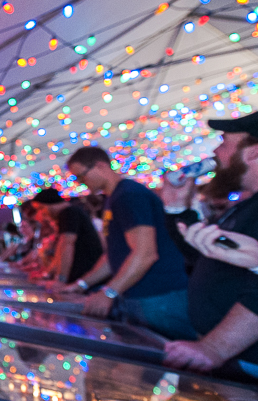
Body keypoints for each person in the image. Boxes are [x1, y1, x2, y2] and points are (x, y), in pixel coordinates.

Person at [60, 146, 194, 340]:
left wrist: (109, 292)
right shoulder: (114, 198)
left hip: (159, 296)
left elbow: (145, 253)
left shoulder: (128, 195)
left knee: (168, 360)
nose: (81, 183)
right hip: (144, 297)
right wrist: (81, 284)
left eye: (82, 176)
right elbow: (114, 255)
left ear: (100, 166)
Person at [163, 113, 258, 378]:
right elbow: (202, 253)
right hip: (232, 356)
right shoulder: (247, 205)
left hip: (245, 361)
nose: (216, 151)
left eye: (224, 141)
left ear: (253, 151)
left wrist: (214, 348)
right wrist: (176, 207)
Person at [31, 188, 103, 286]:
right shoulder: (69, 213)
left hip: (85, 281)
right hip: (81, 280)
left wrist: (60, 279)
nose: (42, 213)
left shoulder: (69, 213)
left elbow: (66, 245)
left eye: (41, 208)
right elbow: (60, 251)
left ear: (49, 204)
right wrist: (47, 275)